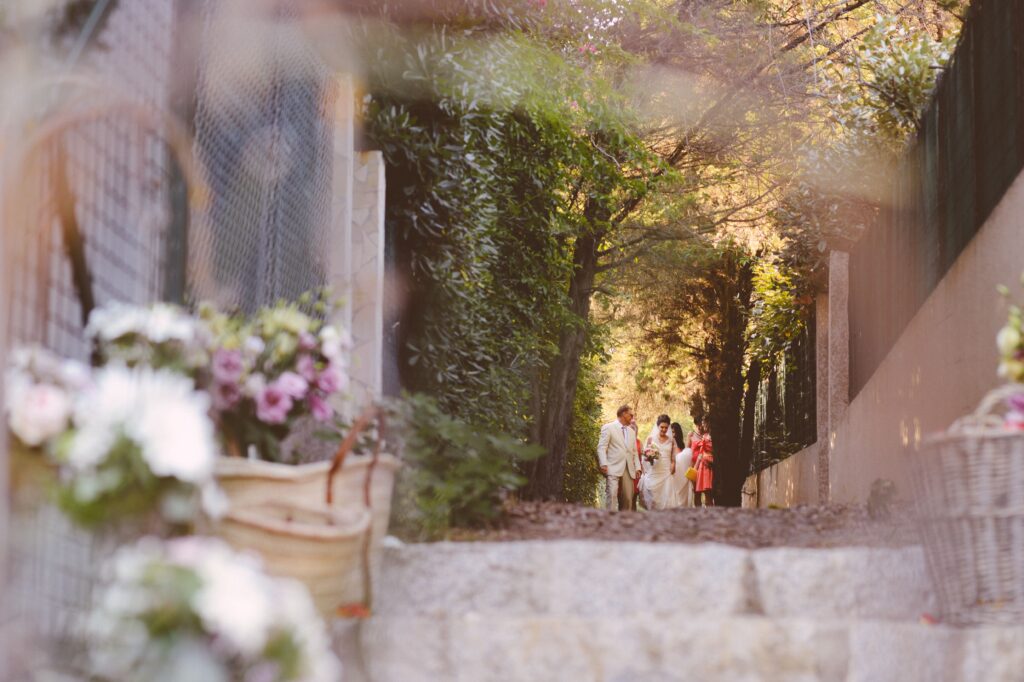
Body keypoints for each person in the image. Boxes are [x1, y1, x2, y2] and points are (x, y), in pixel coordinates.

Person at [597, 405, 641, 511]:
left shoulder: (631, 431)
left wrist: (638, 467)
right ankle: (609, 521)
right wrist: (603, 463)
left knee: (628, 498)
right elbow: (601, 447)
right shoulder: (608, 427)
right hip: (612, 466)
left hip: (628, 468)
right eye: (630, 415)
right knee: (612, 495)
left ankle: (625, 522)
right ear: (623, 414)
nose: (632, 417)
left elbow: (634, 452)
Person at [639, 414, 682, 510]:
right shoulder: (651, 439)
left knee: (666, 500)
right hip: (654, 471)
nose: (663, 429)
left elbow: (673, 457)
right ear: (658, 426)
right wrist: (649, 458)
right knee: (654, 500)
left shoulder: (672, 440)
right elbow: (645, 456)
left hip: (666, 472)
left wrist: (673, 464)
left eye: (666, 428)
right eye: (662, 427)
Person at [690, 421, 714, 507]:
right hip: (702, 465)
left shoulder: (714, 435)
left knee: (709, 493)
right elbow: (700, 453)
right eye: (701, 424)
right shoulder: (703, 436)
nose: (702, 426)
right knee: (699, 492)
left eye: (704, 424)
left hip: (711, 464)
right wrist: (695, 468)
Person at [671, 422, 693, 507]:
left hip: (682, 475)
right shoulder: (670, 444)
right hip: (674, 474)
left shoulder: (681, 445)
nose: (673, 434)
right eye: (671, 432)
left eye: (674, 432)